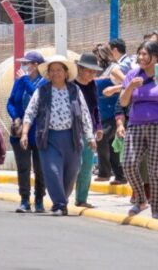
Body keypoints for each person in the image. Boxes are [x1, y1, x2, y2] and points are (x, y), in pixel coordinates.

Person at [21, 55, 96, 216]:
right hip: (49, 139)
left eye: (59, 70)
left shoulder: (74, 90)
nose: (56, 73)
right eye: (52, 70)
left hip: (72, 138)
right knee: (52, 171)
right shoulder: (43, 91)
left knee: (72, 173)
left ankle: (62, 199)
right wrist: (25, 133)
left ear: (66, 72)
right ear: (48, 73)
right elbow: (30, 112)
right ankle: (59, 204)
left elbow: (84, 114)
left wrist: (90, 137)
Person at [119, 40, 158, 218]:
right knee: (128, 164)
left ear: (155, 57)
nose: (141, 57)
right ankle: (141, 200)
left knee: (154, 170)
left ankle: (156, 208)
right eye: (139, 54)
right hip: (135, 125)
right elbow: (123, 102)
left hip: (156, 126)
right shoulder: (133, 74)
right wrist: (131, 87)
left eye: (145, 54)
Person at [6, 50, 48, 213]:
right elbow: (10, 102)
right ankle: (24, 199)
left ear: (36, 65)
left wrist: (24, 79)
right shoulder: (19, 81)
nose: (23, 66)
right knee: (23, 167)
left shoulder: (44, 82)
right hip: (19, 131)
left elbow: (37, 97)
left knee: (40, 168)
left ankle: (39, 200)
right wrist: (16, 117)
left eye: (26, 63)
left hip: (37, 132)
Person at [92, 44, 127, 184]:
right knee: (112, 145)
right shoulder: (98, 71)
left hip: (114, 113)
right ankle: (120, 176)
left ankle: (105, 172)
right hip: (102, 114)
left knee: (101, 139)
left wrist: (113, 89)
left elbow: (127, 84)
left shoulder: (114, 69)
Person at [72, 53, 104, 208]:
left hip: (88, 131)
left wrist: (98, 127)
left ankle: (81, 198)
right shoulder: (71, 84)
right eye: (89, 71)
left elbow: (95, 108)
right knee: (72, 165)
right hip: (71, 130)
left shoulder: (93, 85)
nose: (93, 74)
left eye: (95, 72)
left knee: (86, 165)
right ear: (80, 69)